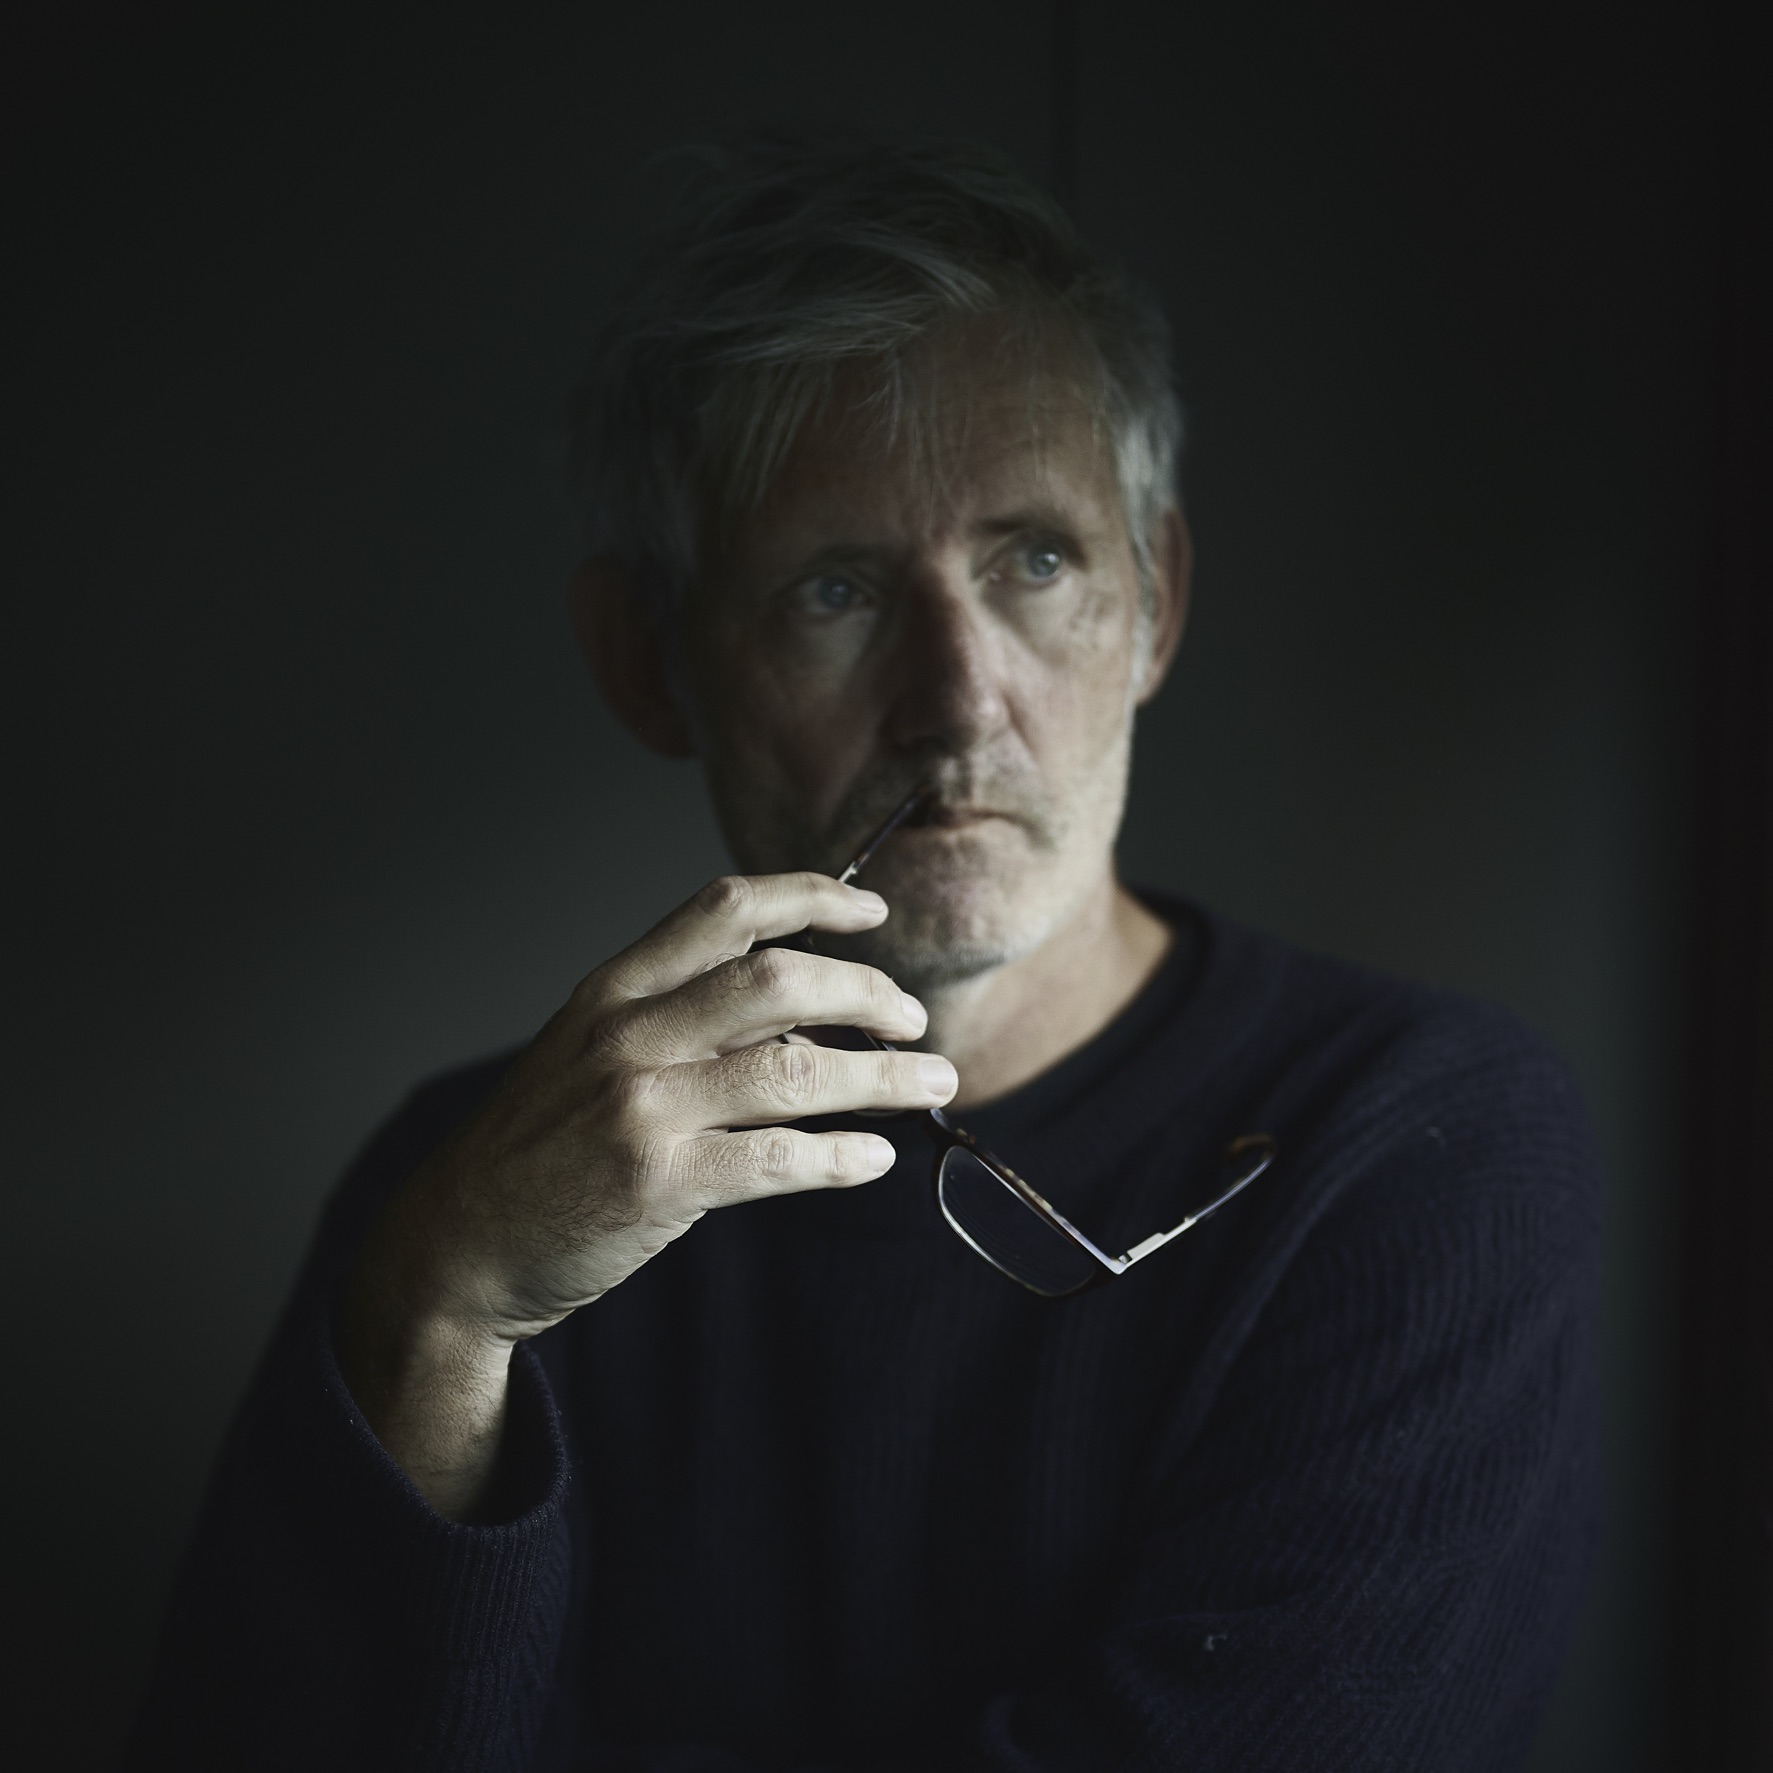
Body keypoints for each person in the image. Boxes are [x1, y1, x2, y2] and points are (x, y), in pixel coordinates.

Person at [129, 134, 1602, 1771]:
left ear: (1155, 601)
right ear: (646, 662)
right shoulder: (464, 1196)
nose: (958, 700)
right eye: (835, 589)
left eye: (1034, 560)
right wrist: (440, 1325)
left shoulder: (1415, 1145)